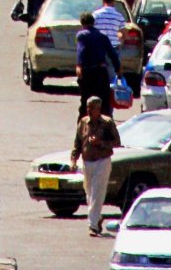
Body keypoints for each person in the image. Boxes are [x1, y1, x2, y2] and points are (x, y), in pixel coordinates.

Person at [71, 95, 120, 238]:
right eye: (88, 108)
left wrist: (101, 143)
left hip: (102, 162)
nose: (89, 110)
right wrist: (74, 160)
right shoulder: (83, 122)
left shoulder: (107, 123)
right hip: (87, 163)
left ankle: (92, 225)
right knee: (89, 193)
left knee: (97, 194)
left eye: (92, 108)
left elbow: (116, 142)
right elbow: (77, 144)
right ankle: (97, 218)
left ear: (98, 109)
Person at [76, 10, 120, 115]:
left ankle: (83, 127)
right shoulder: (102, 36)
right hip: (101, 72)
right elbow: (112, 54)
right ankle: (106, 127)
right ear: (93, 22)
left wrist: (79, 65)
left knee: (85, 102)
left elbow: (81, 51)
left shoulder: (82, 35)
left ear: (82, 23)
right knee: (104, 102)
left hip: (88, 73)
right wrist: (118, 69)